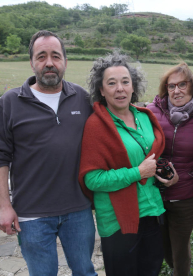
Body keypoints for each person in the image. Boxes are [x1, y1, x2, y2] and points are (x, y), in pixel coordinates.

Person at [0, 30, 96, 275]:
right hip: (31, 214)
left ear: (65, 61)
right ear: (32, 62)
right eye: (42, 56)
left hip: (78, 210)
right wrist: (5, 206)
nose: (49, 63)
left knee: (85, 271)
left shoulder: (82, 98)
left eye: (56, 56)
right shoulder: (10, 102)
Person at [78, 52, 168, 276]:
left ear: (133, 86)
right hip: (119, 221)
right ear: (101, 90)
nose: (120, 88)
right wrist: (137, 173)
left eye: (125, 82)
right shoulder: (96, 126)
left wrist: (167, 175)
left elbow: (153, 160)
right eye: (112, 83)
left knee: (151, 271)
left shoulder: (146, 117)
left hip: (153, 212)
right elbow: (92, 179)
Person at [146, 62, 193, 276]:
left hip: (187, 193)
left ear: (192, 86)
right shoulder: (151, 111)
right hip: (155, 192)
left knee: (179, 247)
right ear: (165, 89)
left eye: (182, 85)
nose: (176, 90)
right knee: (162, 244)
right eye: (171, 86)